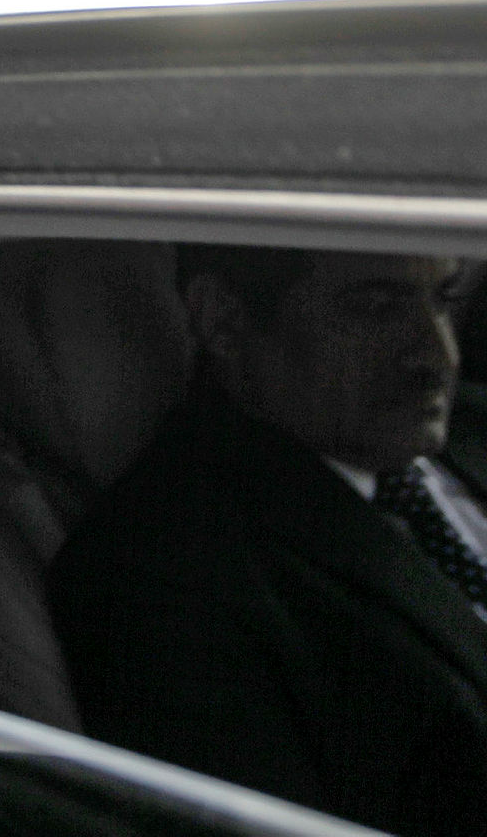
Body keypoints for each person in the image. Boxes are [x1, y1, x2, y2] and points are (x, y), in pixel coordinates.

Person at [47, 247, 487, 837]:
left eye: (444, 300)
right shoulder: (160, 577)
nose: (438, 356)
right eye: (376, 308)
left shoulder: (472, 426)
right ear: (223, 319)